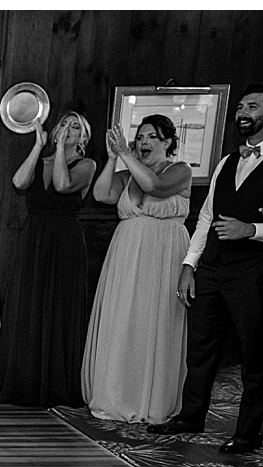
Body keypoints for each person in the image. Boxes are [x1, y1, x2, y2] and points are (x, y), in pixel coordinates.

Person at [148, 83, 263, 454]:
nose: (242, 112)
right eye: (240, 106)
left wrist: (251, 229)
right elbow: (206, 218)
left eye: (252, 106)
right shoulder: (228, 160)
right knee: (201, 348)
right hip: (214, 269)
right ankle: (191, 416)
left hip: (258, 272)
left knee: (256, 354)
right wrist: (189, 265)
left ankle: (248, 432)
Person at [82, 115, 194, 424]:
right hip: (127, 252)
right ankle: (117, 393)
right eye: (140, 137)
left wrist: (128, 156)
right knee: (124, 318)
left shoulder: (180, 170)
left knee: (153, 320)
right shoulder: (127, 172)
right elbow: (102, 194)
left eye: (151, 138)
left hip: (164, 253)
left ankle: (151, 399)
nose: (143, 142)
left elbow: (155, 187)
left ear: (168, 142)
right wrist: (112, 158)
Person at [0, 111, 97, 407]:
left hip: (65, 241)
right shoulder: (41, 160)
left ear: (83, 138)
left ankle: (55, 384)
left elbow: (62, 185)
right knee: (29, 303)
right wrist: (39, 147)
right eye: (64, 124)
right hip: (34, 238)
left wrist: (60, 149)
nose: (68, 129)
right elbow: (19, 182)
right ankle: (22, 380)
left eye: (76, 127)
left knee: (58, 305)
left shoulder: (86, 164)